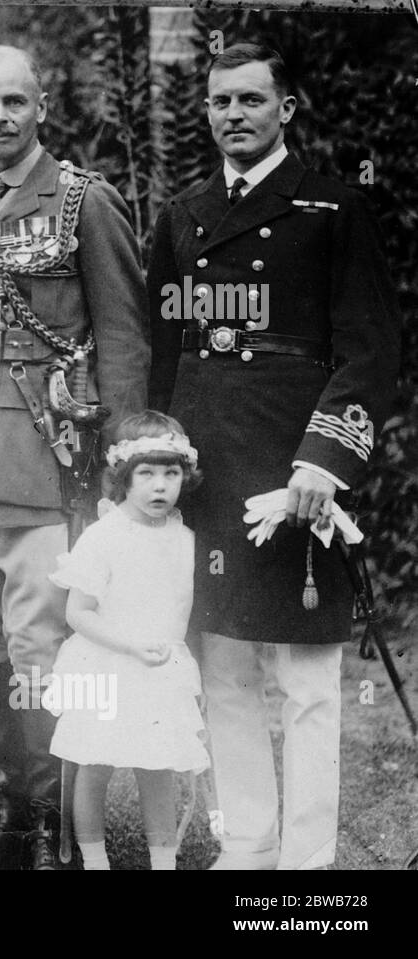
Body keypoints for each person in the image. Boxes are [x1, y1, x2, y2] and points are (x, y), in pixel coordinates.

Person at [148, 43, 400, 870]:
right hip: (211, 470)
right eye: (220, 103)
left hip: (299, 471)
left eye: (251, 101)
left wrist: (321, 466)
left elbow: (369, 351)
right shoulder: (183, 215)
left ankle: (307, 861)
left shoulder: (332, 208)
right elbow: (162, 351)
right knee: (222, 666)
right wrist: (153, 454)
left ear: (286, 108)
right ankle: (247, 846)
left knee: (307, 684)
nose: (233, 116)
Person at [0, 44, 149, 869]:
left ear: (42, 105)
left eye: (13, 102)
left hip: (46, 452)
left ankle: (54, 818)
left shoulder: (85, 202)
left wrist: (125, 462)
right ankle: (5, 817)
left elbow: (123, 335)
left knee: (39, 642)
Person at [47, 411, 211, 870]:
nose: (160, 486)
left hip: (159, 667)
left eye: (171, 473)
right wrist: (129, 646)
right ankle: (95, 860)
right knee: (95, 761)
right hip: (107, 663)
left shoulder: (186, 540)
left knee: (157, 766)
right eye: (147, 474)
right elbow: (77, 612)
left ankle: (163, 861)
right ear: (124, 477)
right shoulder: (105, 536)